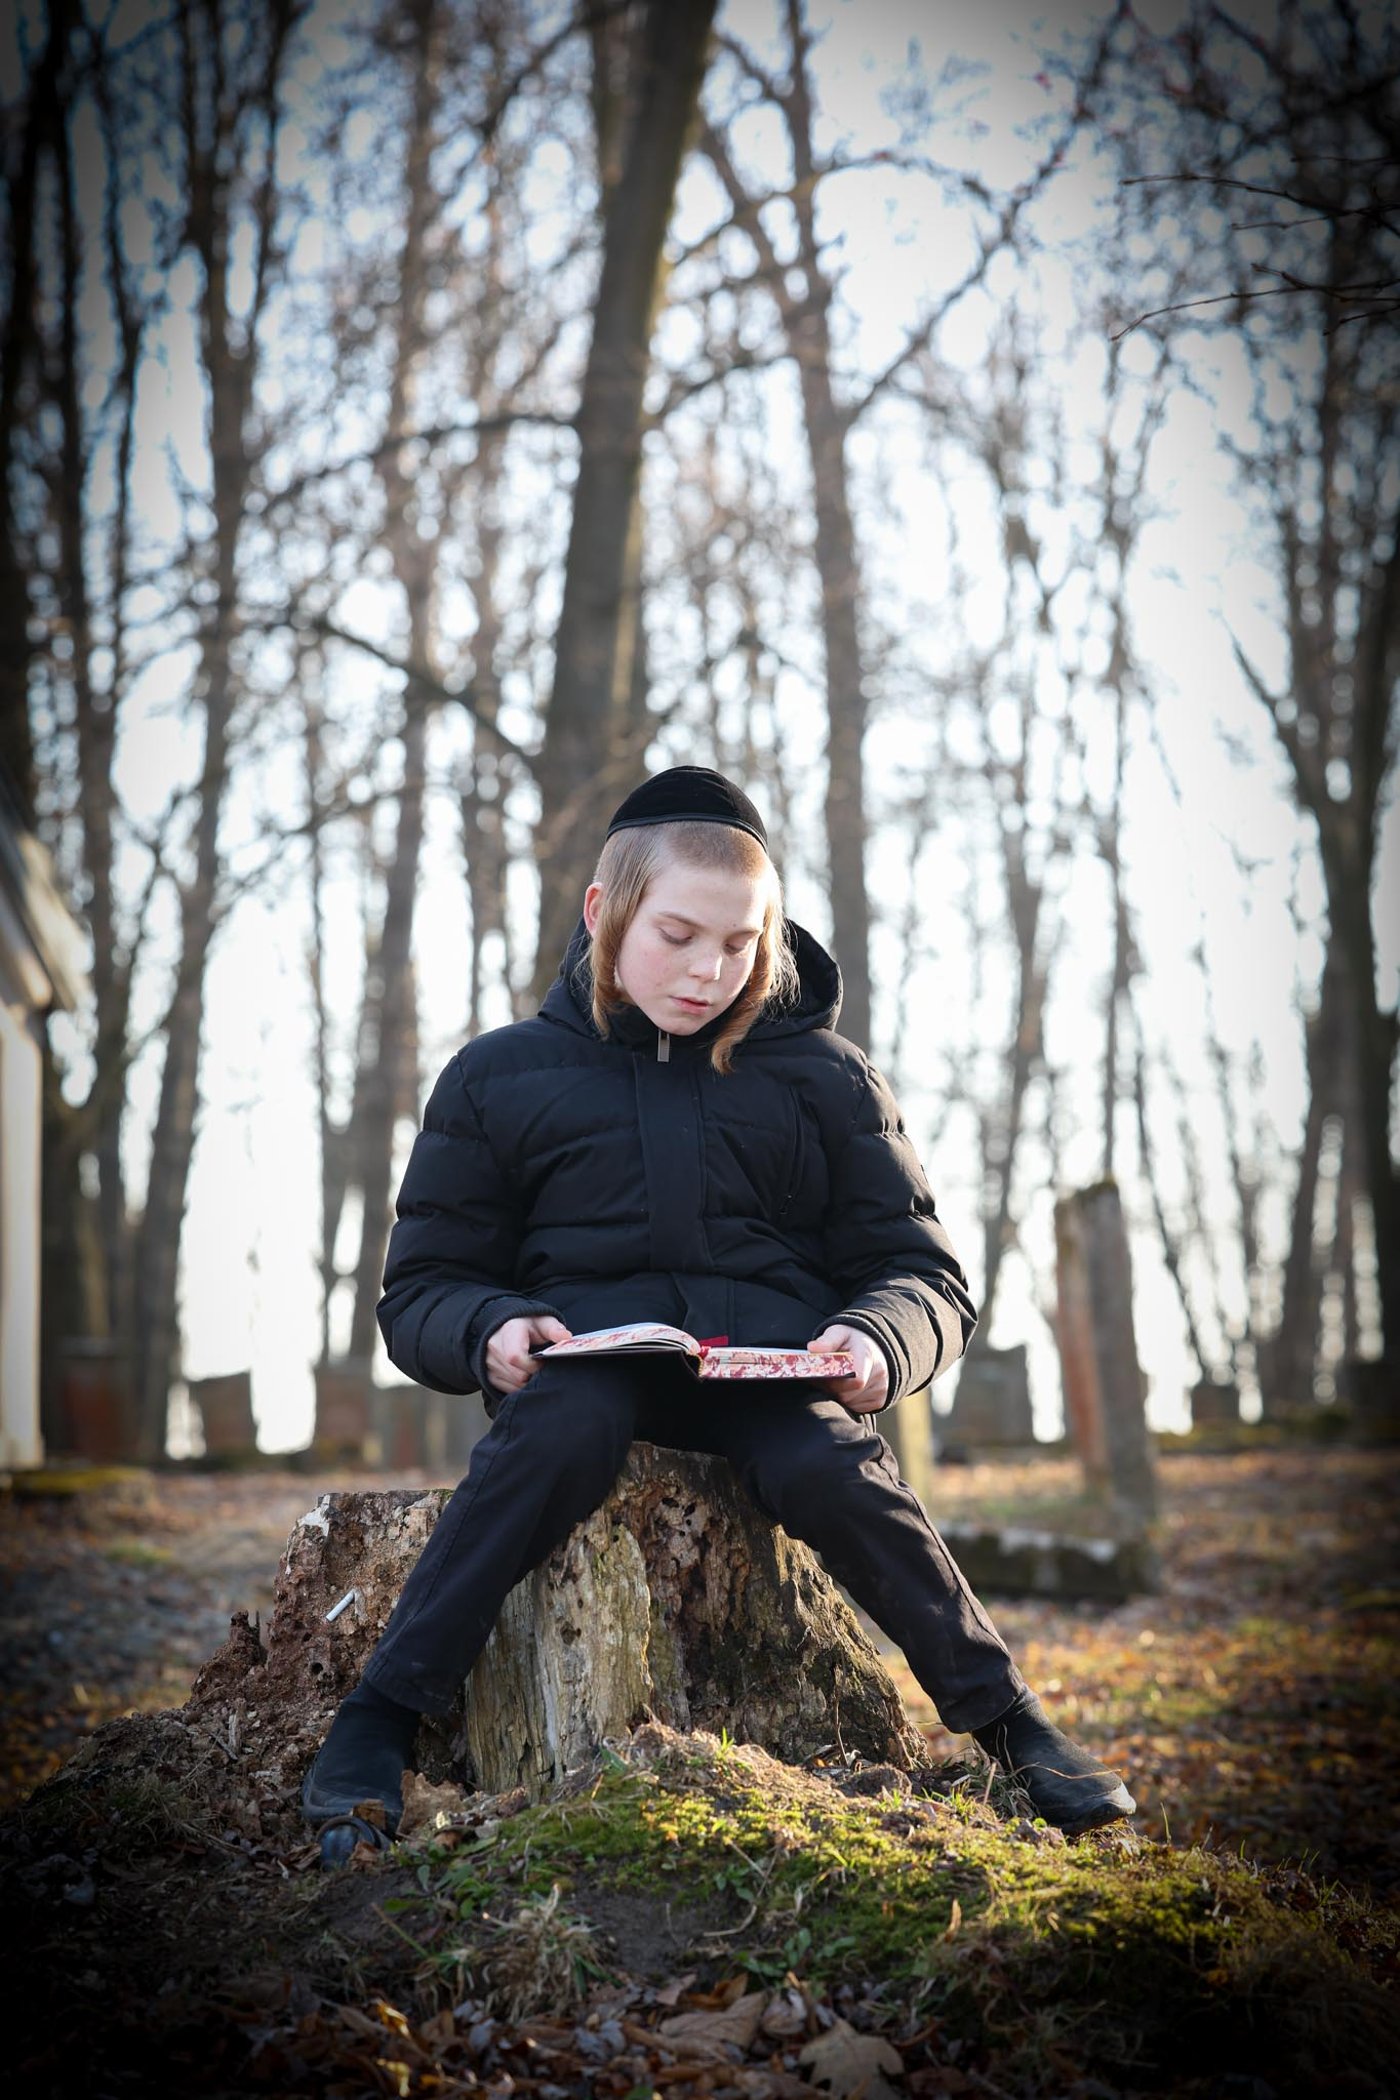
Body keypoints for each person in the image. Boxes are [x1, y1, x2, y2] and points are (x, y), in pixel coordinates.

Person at [302, 766, 1135, 1858]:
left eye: (740, 943)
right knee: (564, 1426)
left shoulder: (827, 1080)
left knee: (827, 1465)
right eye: (678, 936)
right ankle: (377, 1719)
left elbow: (920, 1273)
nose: (707, 971)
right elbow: (421, 1288)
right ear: (604, 913)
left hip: (769, 1376)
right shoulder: (497, 1077)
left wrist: (879, 1342)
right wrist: (489, 1331)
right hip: (585, 1370)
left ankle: (1011, 1728)